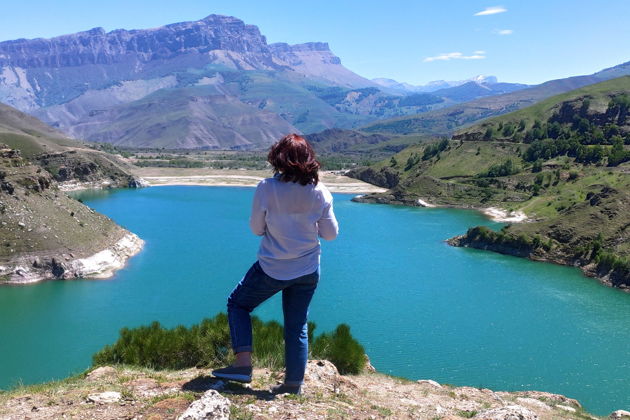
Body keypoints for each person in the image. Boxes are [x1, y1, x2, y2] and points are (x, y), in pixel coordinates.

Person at [212, 133, 339, 395]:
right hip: (307, 269)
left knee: (238, 304)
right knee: (297, 325)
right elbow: (330, 235)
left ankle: (243, 365)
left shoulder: (266, 188)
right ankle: (293, 383)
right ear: (309, 160)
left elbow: (256, 229)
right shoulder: (321, 193)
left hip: (272, 268)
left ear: (278, 159)